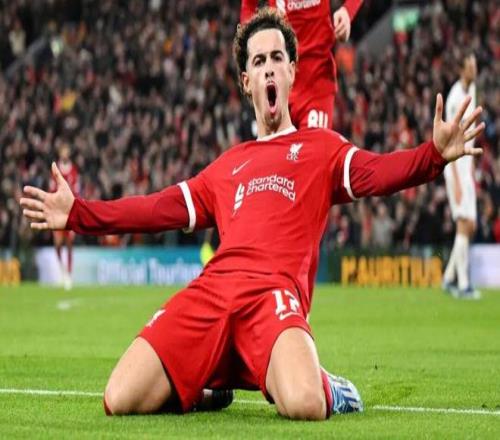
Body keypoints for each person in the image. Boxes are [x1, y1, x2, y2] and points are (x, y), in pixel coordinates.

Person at [20, 9, 484, 420]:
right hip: (214, 292)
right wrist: (79, 213)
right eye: (258, 61)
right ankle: (210, 388)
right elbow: (154, 208)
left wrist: (432, 156)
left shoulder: (322, 149)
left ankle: (333, 388)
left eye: (277, 58)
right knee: (119, 397)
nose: (268, 68)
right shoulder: (227, 166)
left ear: (292, 72)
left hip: (272, 296)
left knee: (304, 404)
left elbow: (379, 173)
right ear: (247, 82)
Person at [240, 0, 363, 130]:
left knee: (313, 143)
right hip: (279, 86)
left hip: (316, 84)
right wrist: (251, 44)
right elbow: (248, 4)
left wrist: (347, 11)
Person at [442, 52, 481, 299]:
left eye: (475, 65)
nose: (474, 70)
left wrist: (471, 169)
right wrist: (456, 179)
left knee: (471, 225)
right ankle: (463, 283)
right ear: (461, 70)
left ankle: (448, 277)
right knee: (464, 223)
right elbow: (450, 141)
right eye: (470, 66)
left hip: (466, 165)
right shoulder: (455, 98)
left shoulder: (472, 89)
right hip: (455, 165)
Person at [50, 144, 80, 290]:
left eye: (67, 151)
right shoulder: (55, 169)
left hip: (70, 211)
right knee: (57, 244)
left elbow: (77, 191)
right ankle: (62, 270)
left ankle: (68, 275)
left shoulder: (74, 170)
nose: (65, 153)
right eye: (63, 151)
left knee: (69, 244)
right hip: (58, 211)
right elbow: (51, 189)